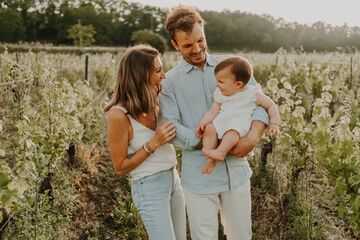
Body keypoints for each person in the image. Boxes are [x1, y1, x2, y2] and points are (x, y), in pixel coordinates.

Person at [159, 5, 269, 240]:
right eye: (188, 45)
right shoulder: (169, 82)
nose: (197, 49)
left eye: (201, 40)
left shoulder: (233, 65)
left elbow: (259, 103)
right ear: (175, 45)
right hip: (199, 177)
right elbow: (170, 127)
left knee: (241, 236)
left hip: (236, 173)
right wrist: (213, 145)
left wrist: (252, 137)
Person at [104, 44, 186, 240]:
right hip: (149, 187)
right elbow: (120, 167)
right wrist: (153, 144)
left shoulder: (156, 102)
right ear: (140, 75)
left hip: (173, 179)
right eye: (158, 70)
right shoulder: (119, 115)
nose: (163, 75)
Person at [196, 56, 281, 174]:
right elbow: (213, 111)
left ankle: (220, 152)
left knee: (232, 134)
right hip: (221, 121)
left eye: (220, 82)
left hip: (237, 124)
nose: (217, 85)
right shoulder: (221, 93)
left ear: (238, 84)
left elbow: (271, 105)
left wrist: (274, 123)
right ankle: (211, 157)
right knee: (209, 128)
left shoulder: (252, 94)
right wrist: (203, 122)